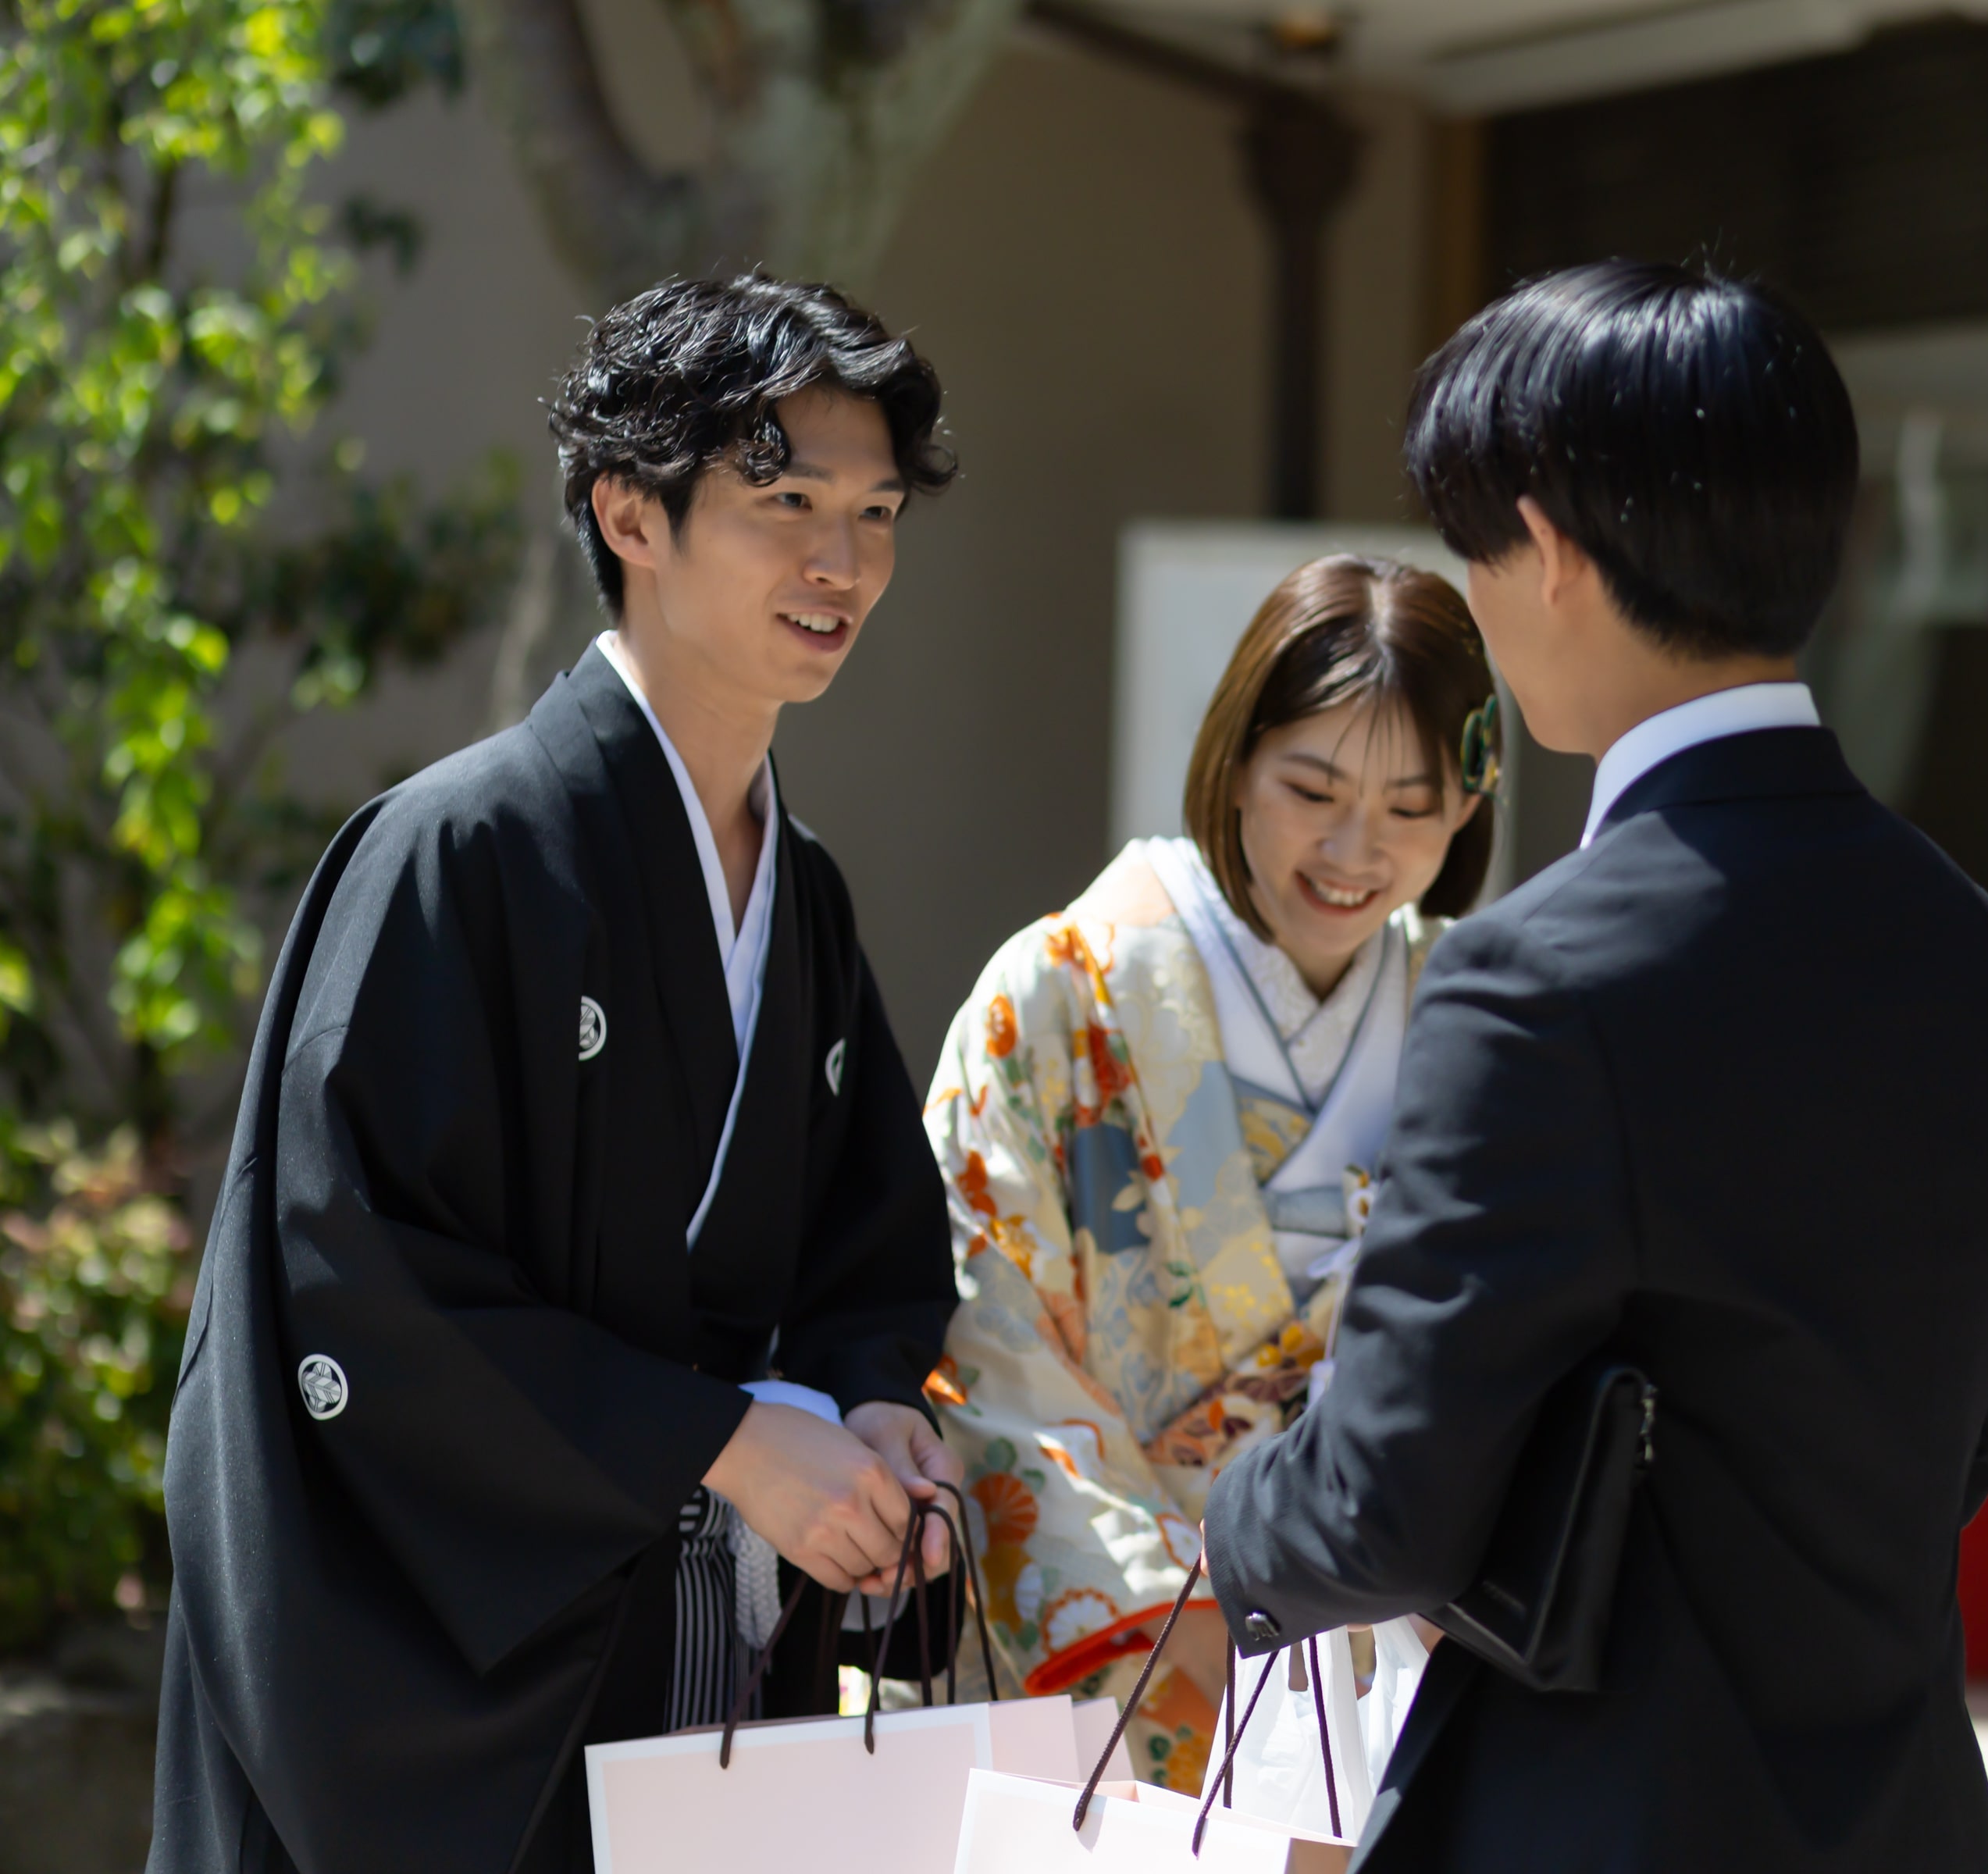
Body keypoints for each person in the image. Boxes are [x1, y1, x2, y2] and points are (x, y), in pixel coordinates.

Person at [1204, 260, 1988, 1869]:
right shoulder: (1978, 957)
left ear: (1545, 551)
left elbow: (1382, 1513)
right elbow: (1957, 1457)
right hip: (1902, 1818)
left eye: (1473, 549)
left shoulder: (1539, 980)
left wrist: (1232, 1516)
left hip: (1602, 1818)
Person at [151, 275, 965, 1874]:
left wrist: (874, 1410)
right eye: (787, 503)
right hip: (457, 1703)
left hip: (698, 1671)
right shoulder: (455, 850)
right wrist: (721, 1442)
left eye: (874, 514)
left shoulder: (800, 894)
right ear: (629, 512)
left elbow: (864, 1242)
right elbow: (351, 1287)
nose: (843, 562)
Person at [922, 554, 1497, 1793]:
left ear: (1467, 805)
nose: (1355, 849)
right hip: (1136, 1660)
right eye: (1312, 788)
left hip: (1387, 1661)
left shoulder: (1477, 1017)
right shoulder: (1059, 996)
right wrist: (1185, 1618)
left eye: (1412, 805)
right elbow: (988, 1343)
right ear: (1235, 761)